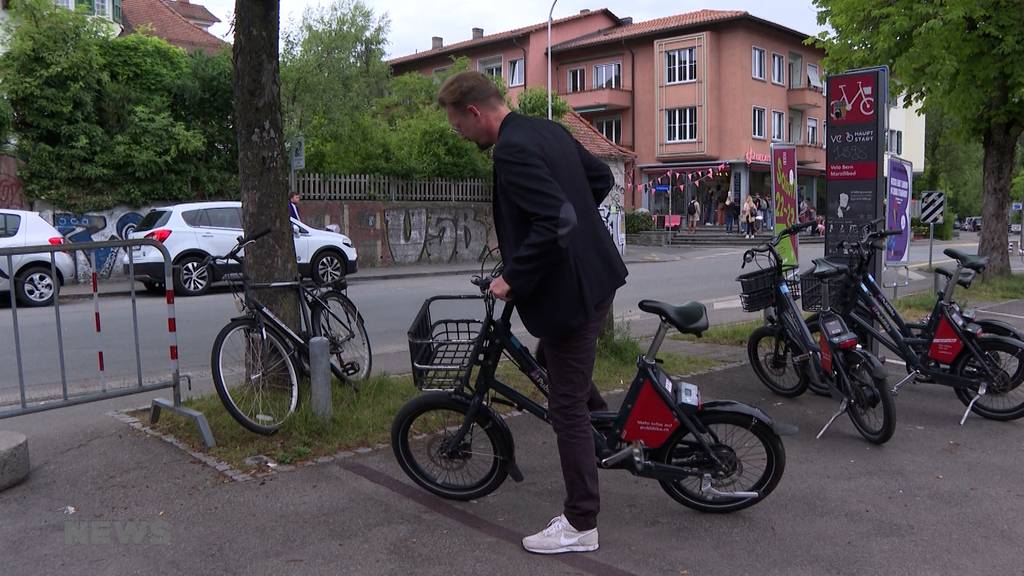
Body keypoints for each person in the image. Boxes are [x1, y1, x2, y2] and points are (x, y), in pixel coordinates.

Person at [437, 71, 628, 555]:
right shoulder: (547, 129)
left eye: (459, 126)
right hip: (596, 277)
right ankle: (608, 435)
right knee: (553, 364)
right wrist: (573, 230)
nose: (460, 135)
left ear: (476, 113)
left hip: (570, 294)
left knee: (564, 407)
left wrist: (513, 277)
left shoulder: (513, 150)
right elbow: (598, 180)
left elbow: (557, 218)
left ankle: (581, 523)